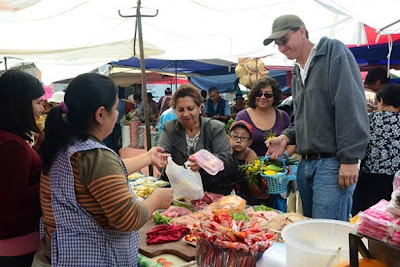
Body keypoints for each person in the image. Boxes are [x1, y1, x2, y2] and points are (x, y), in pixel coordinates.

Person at [34, 73, 173, 266]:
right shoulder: (94, 156)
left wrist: (147, 157)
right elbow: (129, 218)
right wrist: (157, 199)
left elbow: (100, 175)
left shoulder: (64, 144)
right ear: (100, 114)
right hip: (91, 258)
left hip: (59, 254)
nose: (117, 115)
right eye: (115, 109)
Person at [263, 14, 370, 221]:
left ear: (301, 31)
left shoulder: (332, 51)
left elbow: (351, 105)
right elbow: (304, 117)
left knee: (327, 236)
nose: (282, 48)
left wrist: (349, 159)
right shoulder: (297, 70)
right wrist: (286, 137)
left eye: (284, 40)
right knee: (313, 232)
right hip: (306, 165)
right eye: (278, 44)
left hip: (332, 164)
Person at [158, 84, 238, 195]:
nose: (186, 114)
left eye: (190, 109)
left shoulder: (215, 128)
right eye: (180, 110)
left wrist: (204, 162)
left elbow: (227, 159)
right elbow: (162, 154)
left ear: (200, 107)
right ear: (175, 111)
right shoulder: (169, 128)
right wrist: (163, 161)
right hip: (180, 192)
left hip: (212, 191)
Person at [0, 69, 44, 266]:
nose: (42, 108)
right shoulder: (12, 146)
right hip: (16, 247)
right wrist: (51, 179)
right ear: (19, 105)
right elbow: (11, 207)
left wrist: (38, 149)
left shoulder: (10, 140)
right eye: (37, 102)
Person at [352, 83, 400, 214]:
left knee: (369, 214)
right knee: (392, 214)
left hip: (371, 177)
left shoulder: (369, 119)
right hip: (397, 179)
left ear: (381, 101)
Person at [235, 77, 295, 157]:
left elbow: (292, 143)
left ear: (274, 97)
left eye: (268, 95)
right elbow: (235, 140)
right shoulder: (243, 116)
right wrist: (248, 151)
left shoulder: (282, 116)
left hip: (277, 167)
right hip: (249, 165)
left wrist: (281, 157)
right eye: (259, 94)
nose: (263, 97)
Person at [228, 120, 264, 205]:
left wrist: (249, 174)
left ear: (250, 142)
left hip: (250, 204)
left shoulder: (253, 162)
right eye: (235, 136)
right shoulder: (225, 159)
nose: (238, 140)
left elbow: (257, 193)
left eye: (243, 137)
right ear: (228, 138)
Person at [103, 86, 126, 154]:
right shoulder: (122, 102)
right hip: (117, 124)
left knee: (109, 142)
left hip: (112, 124)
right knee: (114, 142)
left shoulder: (112, 102)